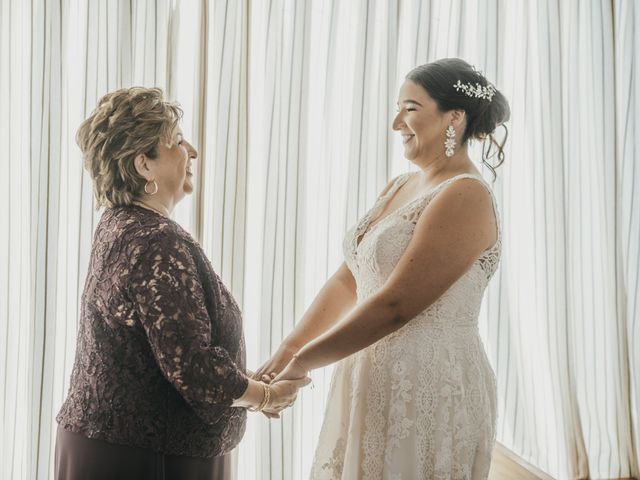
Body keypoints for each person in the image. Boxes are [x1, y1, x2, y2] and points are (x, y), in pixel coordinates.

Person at [255, 58, 510, 479]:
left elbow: (396, 304)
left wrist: (304, 363)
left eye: (409, 109)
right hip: (368, 372)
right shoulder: (399, 186)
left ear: (454, 117)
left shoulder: (466, 194)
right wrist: (286, 350)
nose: (396, 123)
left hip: (429, 379)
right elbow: (348, 279)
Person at [55, 87, 309, 480]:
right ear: (144, 165)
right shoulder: (156, 239)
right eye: (175, 141)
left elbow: (162, 349)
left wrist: (244, 385)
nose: (191, 150)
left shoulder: (118, 226)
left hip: (114, 444)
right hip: (146, 456)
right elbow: (192, 366)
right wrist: (265, 397)